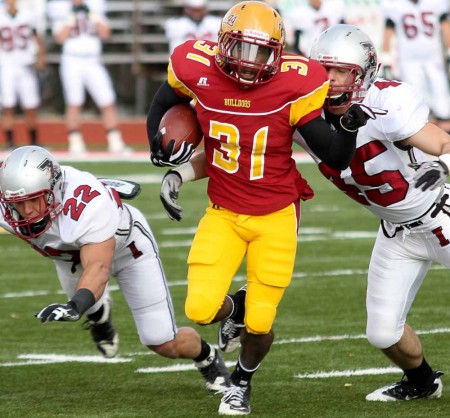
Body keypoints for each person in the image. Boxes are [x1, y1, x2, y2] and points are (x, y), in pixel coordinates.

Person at [147, 2, 377, 414]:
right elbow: (162, 103)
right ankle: (235, 306)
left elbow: (333, 156)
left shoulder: (297, 81)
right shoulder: (192, 65)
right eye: (242, 50)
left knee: (260, 322)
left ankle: (241, 381)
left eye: (262, 53)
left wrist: (346, 128)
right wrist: (165, 161)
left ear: (279, 51)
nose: (251, 64)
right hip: (223, 210)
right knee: (199, 308)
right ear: (222, 44)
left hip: (275, 214)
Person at [0, 145, 231, 395]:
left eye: (33, 200)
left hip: (129, 250)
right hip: (69, 257)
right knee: (87, 302)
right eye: (17, 204)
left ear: (54, 188)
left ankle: (207, 357)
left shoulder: (88, 204)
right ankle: (99, 316)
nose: (26, 212)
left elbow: (98, 268)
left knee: (161, 341)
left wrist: (75, 305)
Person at [47, 0, 130, 155]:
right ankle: (75, 142)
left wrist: (91, 14)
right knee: (74, 102)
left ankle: (115, 142)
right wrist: (72, 16)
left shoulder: (95, 5)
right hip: (72, 59)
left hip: (93, 59)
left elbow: (106, 33)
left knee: (107, 100)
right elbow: (60, 38)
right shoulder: (60, 7)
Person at [380, 0, 450, 133]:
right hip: (409, 60)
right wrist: (387, 58)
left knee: (441, 93)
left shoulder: (435, 3)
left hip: (433, 57)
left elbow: (445, 25)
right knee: (415, 96)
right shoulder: (395, 5)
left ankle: (443, 130)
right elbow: (388, 31)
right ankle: (424, 129)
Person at [0, 0, 46, 149]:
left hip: (25, 65)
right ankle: (10, 142)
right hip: (6, 65)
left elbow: (36, 36)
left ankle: (34, 141)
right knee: (8, 106)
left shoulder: (28, 14)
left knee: (31, 105)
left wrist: (41, 55)